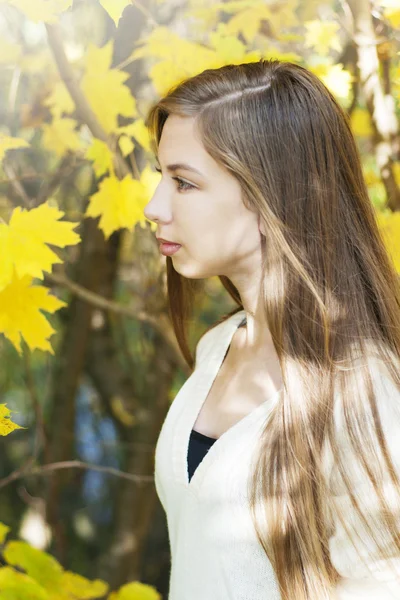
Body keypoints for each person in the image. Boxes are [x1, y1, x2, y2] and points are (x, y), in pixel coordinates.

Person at [143, 59, 400, 600]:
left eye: (184, 183)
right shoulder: (220, 345)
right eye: (162, 176)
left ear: (271, 196)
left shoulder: (363, 388)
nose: (154, 207)